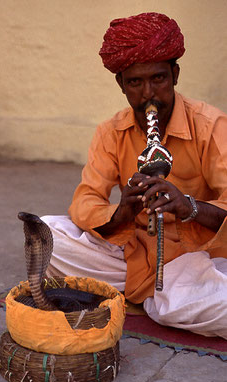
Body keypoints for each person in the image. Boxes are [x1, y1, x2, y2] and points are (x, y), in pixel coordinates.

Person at [42, 12, 227, 339]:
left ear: (175, 74)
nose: (148, 95)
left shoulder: (212, 127)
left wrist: (188, 206)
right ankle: (167, 296)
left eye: (158, 79)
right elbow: (85, 202)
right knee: (48, 235)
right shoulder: (111, 132)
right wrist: (123, 211)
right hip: (134, 251)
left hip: (196, 255)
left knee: (185, 300)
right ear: (121, 84)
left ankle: (175, 295)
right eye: (135, 83)